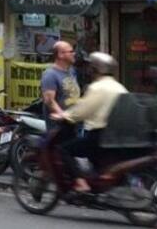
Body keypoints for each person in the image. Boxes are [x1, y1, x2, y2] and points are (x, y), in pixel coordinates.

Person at [50, 52, 128, 193]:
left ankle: (81, 183)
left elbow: (82, 111)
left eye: (90, 67)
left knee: (63, 150)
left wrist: (65, 116)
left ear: (94, 69)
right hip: (118, 137)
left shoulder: (97, 87)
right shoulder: (120, 87)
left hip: (101, 135)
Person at [41, 41, 81, 124]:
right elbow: (49, 101)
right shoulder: (50, 75)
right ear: (60, 55)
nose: (74, 54)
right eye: (71, 52)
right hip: (59, 127)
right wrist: (63, 115)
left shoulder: (71, 71)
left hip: (73, 123)